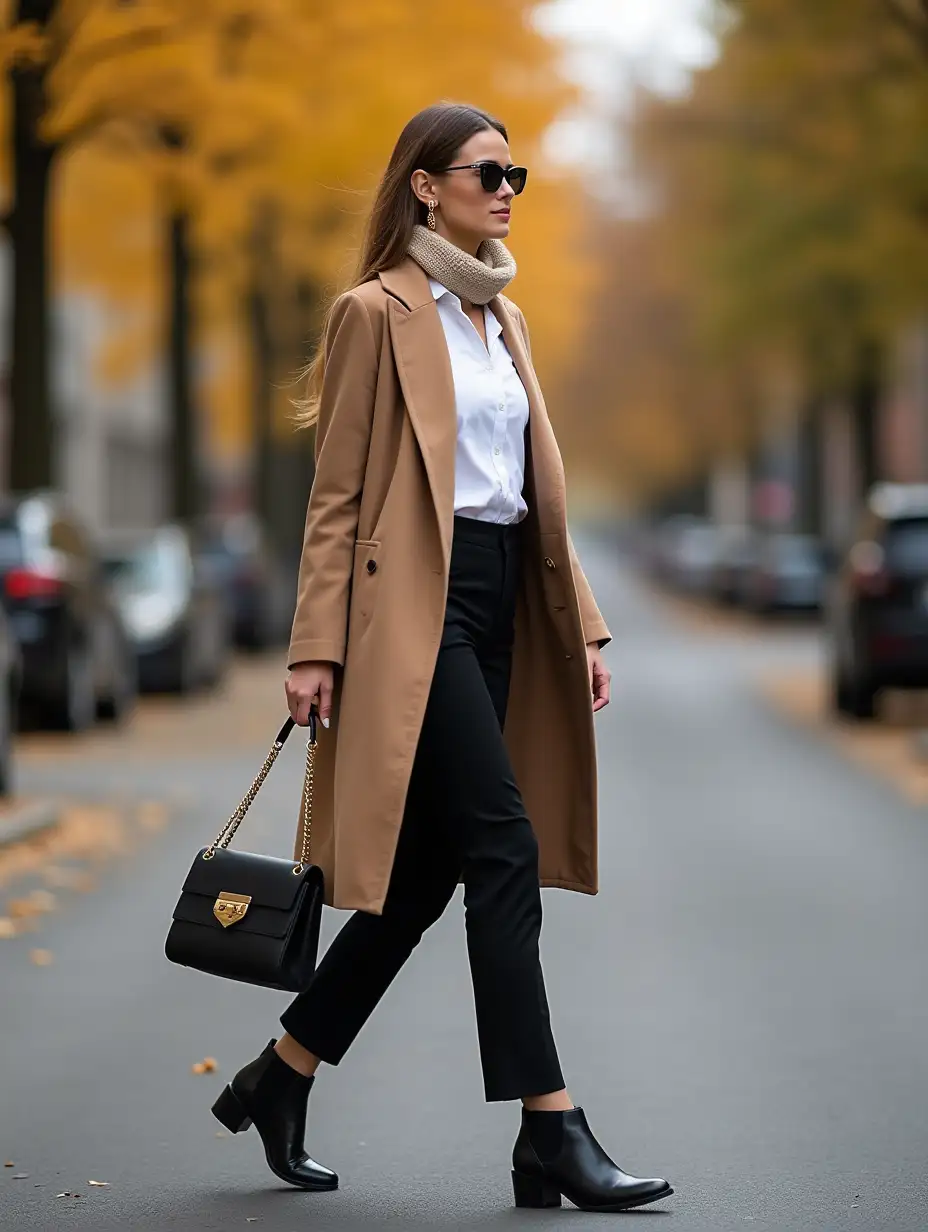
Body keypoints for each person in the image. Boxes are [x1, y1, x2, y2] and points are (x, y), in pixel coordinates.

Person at [210, 101, 674, 1214]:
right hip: (412, 610)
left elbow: (534, 491)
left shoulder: (499, 317)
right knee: (504, 844)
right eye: (485, 169)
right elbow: (337, 497)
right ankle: (548, 1125)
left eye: (515, 171)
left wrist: (586, 623)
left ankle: (281, 1074)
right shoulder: (374, 314)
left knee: (423, 879)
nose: (507, 185)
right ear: (426, 185)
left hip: (506, 593)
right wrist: (313, 644)